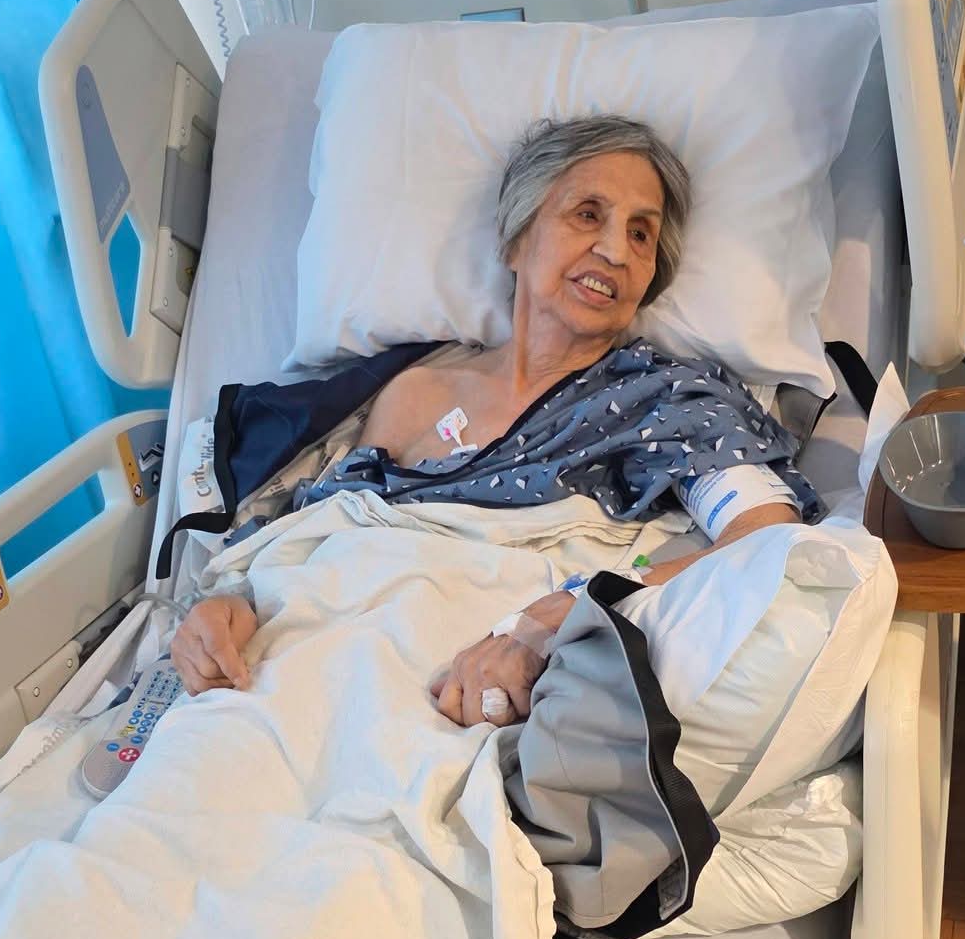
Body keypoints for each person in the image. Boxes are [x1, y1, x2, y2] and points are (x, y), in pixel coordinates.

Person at [170, 115, 819, 722]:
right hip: (294, 667)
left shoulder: (668, 399)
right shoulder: (414, 392)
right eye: (588, 214)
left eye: (641, 234)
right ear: (515, 240)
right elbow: (319, 536)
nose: (616, 251)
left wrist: (568, 611)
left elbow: (765, 540)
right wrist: (230, 607)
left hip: (459, 690)